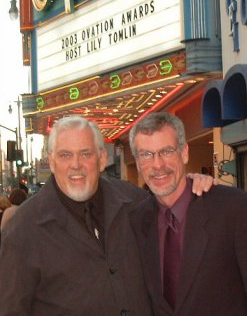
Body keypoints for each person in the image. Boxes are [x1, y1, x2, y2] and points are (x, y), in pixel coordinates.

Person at [0, 116, 214, 316]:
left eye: (86, 153)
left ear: (102, 159)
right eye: (65, 155)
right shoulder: (23, 229)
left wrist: (192, 184)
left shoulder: (136, 202)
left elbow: (178, 217)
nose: (76, 164)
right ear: (52, 162)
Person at [129, 112, 247, 316]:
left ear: (184, 153)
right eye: (146, 154)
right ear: (138, 163)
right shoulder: (137, 219)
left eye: (166, 151)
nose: (158, 165)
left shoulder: (232, 207)